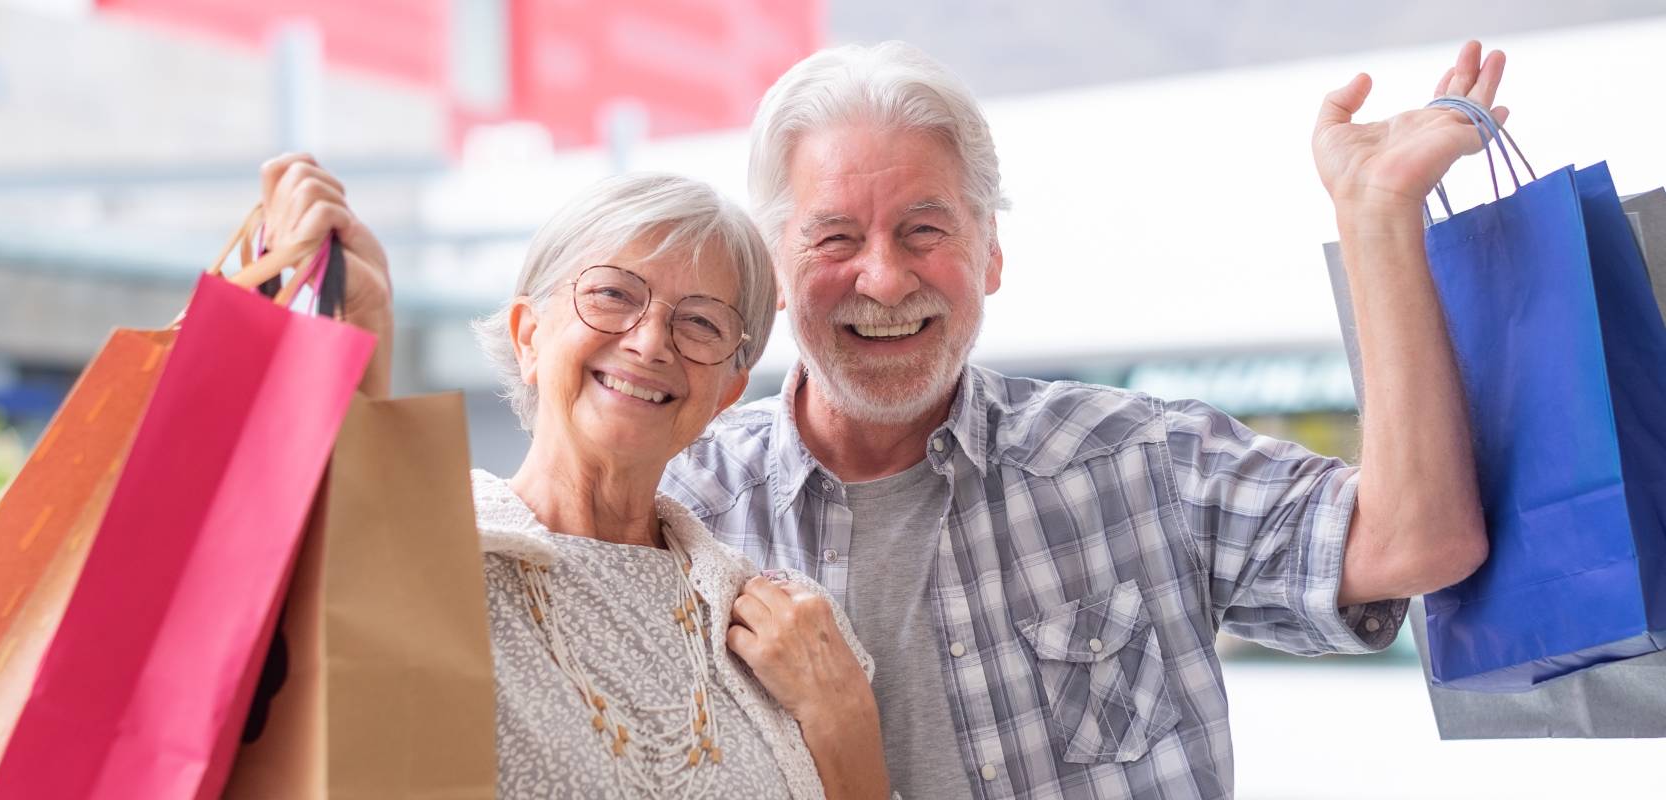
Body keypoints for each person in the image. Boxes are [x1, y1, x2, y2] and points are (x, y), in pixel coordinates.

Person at [263, 36, 1501, 799]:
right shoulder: (687, 514)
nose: (885, 278)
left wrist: (1374, 215)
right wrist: (321, 339)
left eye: (925, 231)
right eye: (834, 238)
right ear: (779, 270)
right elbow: (359, 621)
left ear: (991, 255)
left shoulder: (1135, 463)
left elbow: (1417, 542)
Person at [258, 168, 890, 798]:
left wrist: (847, 724)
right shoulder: (426, 556)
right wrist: (343, 348)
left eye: (700, 323)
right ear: (528, 337)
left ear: (727, 392)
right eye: (614, 294)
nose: (649, 343)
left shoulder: (792, 625)